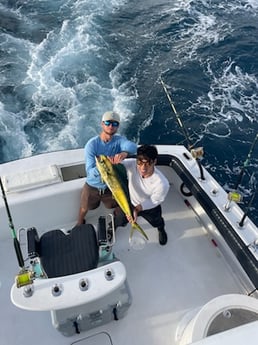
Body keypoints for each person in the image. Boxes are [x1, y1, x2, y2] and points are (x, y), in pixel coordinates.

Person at [77, 111, 137, 225]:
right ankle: (79, 222)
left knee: (121, 206)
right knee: (85, 207)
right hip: (93, 186)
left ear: (118, 127)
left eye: (114, 124)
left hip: (112, 187)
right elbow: (90, 172)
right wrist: (103, 166)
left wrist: (124, 153)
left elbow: (134, 147)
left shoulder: (119, 140)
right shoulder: (92, 144)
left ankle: (115, 220)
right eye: (108, 123)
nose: (110, 126)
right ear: (102, 124)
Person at [115, 144, 170, 245]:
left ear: (155, 162)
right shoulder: (131, 164)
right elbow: (115, 163)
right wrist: (118, 157)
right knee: (118, 220)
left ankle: (161, 230)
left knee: (157, 222)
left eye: (148, 163)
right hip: (130, 203)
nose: (143, 168)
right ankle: (113, 228)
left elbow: (154, 201)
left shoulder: (162, 183)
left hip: (149, 207)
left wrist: (138, 209)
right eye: (139, 162)